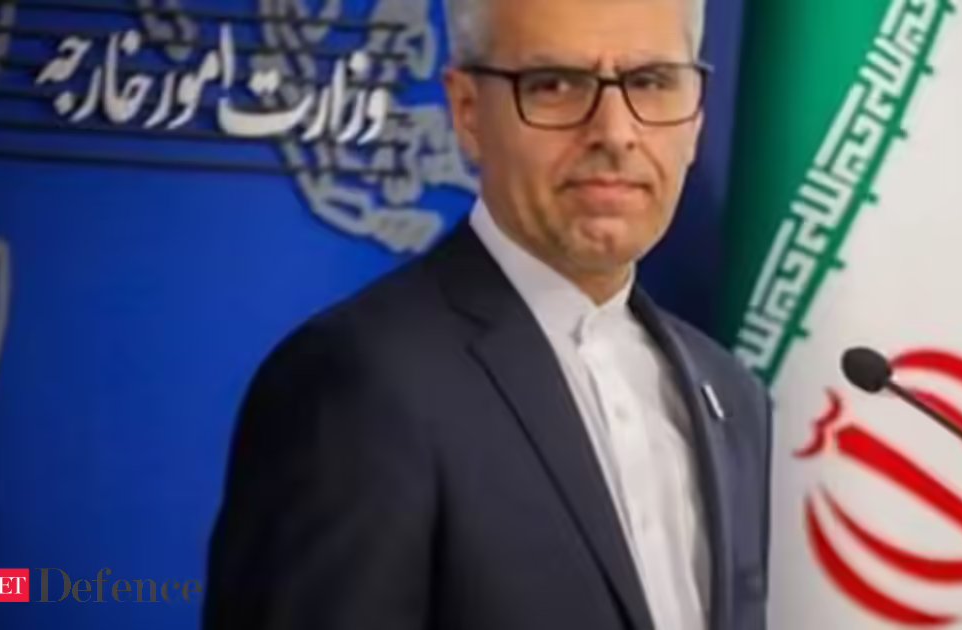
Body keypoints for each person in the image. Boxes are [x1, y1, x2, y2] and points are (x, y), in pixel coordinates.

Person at [203, 0, 771, 628]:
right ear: (468, 110)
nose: (615, 132)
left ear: (696, 114)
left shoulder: (730, 393)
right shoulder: (354, 382)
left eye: (651, 82)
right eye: (555, 84)